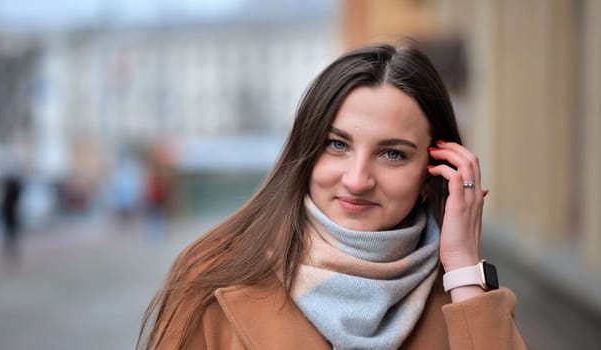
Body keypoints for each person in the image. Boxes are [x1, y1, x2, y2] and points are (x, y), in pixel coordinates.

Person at [139, 42, 527, 349]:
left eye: (392, 154)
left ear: (432, 173)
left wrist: (462, 270)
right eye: (337, 145)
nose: (357, 180)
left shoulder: (466, 301)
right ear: (306, 150)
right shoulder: (210, 280)